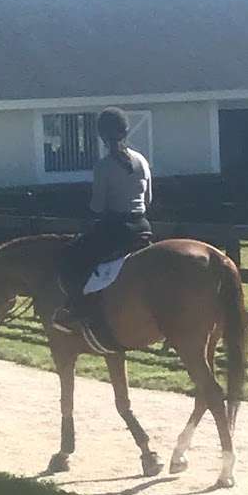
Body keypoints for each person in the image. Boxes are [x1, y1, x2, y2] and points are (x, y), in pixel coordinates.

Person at [53, 107, 154, 334]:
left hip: (117, 228)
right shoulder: (142, 161)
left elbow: (97, 206)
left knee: (72, 258)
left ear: (102, 136)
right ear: (126, 131)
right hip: (143, 226)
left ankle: (77, 308)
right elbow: (148, 199)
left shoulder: (104, 166)